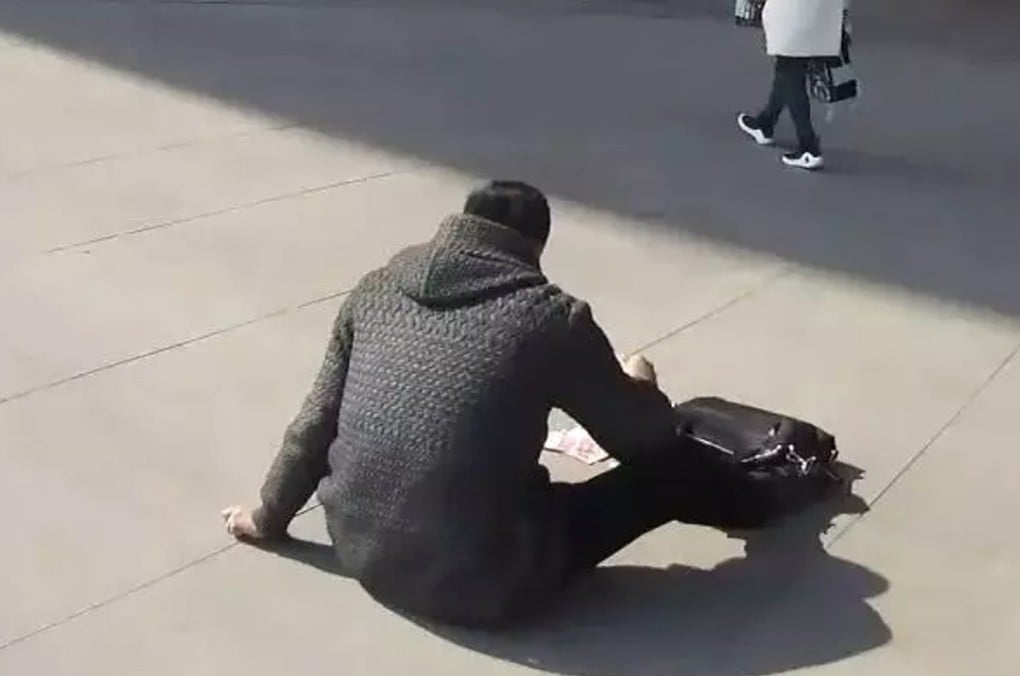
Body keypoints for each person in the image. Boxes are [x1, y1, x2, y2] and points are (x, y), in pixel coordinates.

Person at [222, 181, 778, 627]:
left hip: (363, 551)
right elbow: (644, 439)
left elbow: (315, 424)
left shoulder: (375, 288)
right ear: (534, 247)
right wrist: (640, 382)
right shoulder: (548, 318)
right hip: (488, 579)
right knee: (674, 468)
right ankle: (765, 504)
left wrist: (267, 518)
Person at [737, 0, 849, 170]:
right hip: (826, 11)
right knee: (789, 67)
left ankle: (808, 147)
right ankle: (766, 123)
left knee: (789, 67)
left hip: (793, 10)